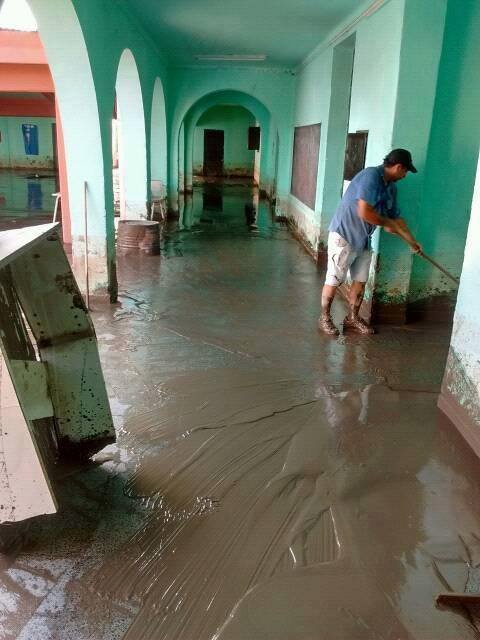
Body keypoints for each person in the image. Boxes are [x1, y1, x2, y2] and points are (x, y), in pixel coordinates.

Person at [319, 148, 422, 336]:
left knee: (360, 280)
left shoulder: (391, 188)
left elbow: (396, 220)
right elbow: (364, 212)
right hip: (344, 235)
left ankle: (352, 318)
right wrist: (388, 223)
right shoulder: (371, 176)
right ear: (399, 167)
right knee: (334, 278)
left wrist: (413, 243)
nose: (405, 176)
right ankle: (324, 318)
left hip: (363, 239)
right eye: (406, 171)